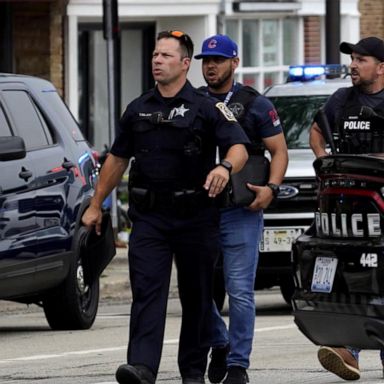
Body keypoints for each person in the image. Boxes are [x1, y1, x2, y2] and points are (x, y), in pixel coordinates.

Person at [82, 30, 249, 384]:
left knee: (198, 297)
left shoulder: (207, 107)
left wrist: (224, 167)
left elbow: (239, 147)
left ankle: (192, 371)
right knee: (146, 291)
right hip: (151, 219)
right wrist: (96, 204)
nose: (157, 60)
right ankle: (141, 367)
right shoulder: (138, 107)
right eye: (156, 55)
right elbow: (116, 159)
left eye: (166, 56)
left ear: (185, 64)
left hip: (196, 218)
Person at [195, 34, 288, 384]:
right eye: (206, 60)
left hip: (240, 209)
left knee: (240, 292)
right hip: (199, 211)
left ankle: (238, 365)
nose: (211, 66)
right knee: (198, 290)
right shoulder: (193, 101)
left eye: (218, 60)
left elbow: (278, 151)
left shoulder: (255, 103)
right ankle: (219, 341)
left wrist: (272, 189)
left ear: (235, 63)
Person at [309, 36, 384, 381]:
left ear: (381, 67)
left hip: (381, 207)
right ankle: (348, 349)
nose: (353, 65)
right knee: (349, 278)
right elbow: (316, 130)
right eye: (352, 59)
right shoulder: (341, 99)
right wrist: (325, 160)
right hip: (347, 211)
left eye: (361, 59)